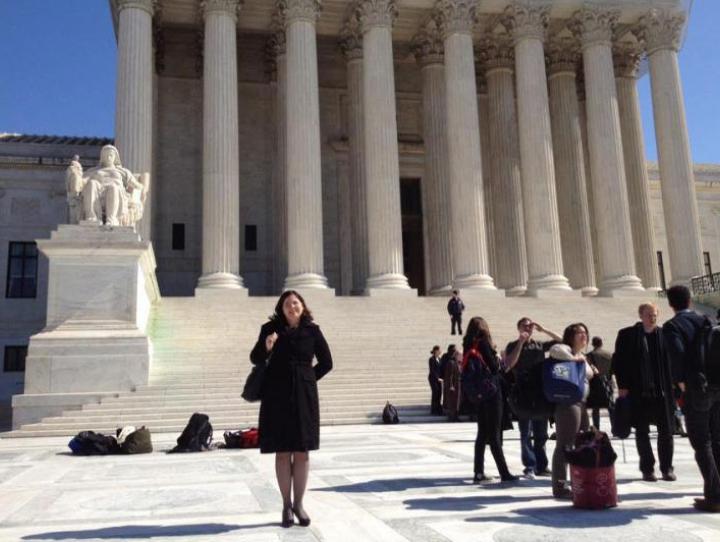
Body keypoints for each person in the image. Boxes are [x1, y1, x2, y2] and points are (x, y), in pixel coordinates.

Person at [249, 290, 333, 527]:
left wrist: (307, 377)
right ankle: (286, 504)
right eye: (287, 304)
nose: (292, 307)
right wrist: (266, 347)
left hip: (304, 397)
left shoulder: (313, 331)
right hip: (277, 396)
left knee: (302, 451)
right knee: (283, 451)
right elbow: (255, 358)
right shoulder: (270, 329)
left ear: (303, 306)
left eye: (295, 303)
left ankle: (299, 504)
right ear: (281, 308)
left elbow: (327, 362)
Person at [663, 285, 720, 513]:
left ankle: (715, 495)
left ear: (670, 304)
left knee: (701, 441)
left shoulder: (673, 326)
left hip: (696, 389)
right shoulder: (707, 321)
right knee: (717, 439)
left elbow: (677, 355)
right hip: (717, 385)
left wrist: (681, 383)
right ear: (690, 300)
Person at [612, 303, 676, 482]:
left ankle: (667, 468)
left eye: (655, 314)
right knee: (642, 432)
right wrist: (622, 386)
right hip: (638, 392)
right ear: (640, 315)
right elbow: (618, 362)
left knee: (667, 432)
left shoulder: (665, 335)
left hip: (662, 391)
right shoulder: (627, 335)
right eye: (649, 314)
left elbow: (673, 362)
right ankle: (647, 469)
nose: (652, 317)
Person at [464, 316, 519, 483]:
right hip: (492, 392)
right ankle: (504, 473)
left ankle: (478, 472)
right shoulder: (483, 343)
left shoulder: (468, 343)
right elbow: (495, 368)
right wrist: (495, 354)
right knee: (494, 434)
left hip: (479, 394)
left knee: (482, 433)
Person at [505, 317, 561, 479]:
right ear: (518, 328)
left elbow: (563, 340)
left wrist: (543, 330)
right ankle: (530, 465)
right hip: (523, 392)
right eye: (525, 326)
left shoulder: (539, 345)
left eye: (530, 326)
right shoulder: (512, 345)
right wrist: (521, 343)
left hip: (540, 391)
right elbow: (510, 364)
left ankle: (541, 466)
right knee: (525, 432)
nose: (528, 328)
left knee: (541, 432)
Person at [548, 323, 597, 499]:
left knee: (584, 443)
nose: (584, 336)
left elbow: (590, 373)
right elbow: (554, 350)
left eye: (585, 332)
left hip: (582, 403)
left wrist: (580, 360)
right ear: (570, 335)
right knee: (565, 444)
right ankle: (560, 487)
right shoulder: (563, 349)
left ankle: (580, 480)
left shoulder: (582, 355)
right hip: (568, 403)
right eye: (579, 333)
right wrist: (573, 358)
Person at [586, 336, 614, 429]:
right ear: (601, 343)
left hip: (594, 384)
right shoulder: (609, 355)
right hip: (608, 383)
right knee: (610, 406)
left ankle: (596, 428)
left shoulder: (589, 355)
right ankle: (614, 428)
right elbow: (613, 370)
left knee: (595, 408)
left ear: (593, 344)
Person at [443, 348, 461, 422]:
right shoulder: (451, 363)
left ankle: (456, 416)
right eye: (459, 355)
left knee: (456, 402)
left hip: (458, 385)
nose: (460, 356)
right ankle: (451, 417)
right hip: (454, 386)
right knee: (452, 402)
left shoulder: (457, 362)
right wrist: (451, 385)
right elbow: (449, 375)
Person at [428, 345, 443, 415]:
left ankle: (438, 409)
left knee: (439, 393)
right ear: (436, 351)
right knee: (435, 393)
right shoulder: (432, 359)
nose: (440, 351)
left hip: (439, 379)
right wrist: (437, 378)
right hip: (433, 379)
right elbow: (432, 370)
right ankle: (434, 410)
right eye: (439, 350)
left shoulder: (439, 359)